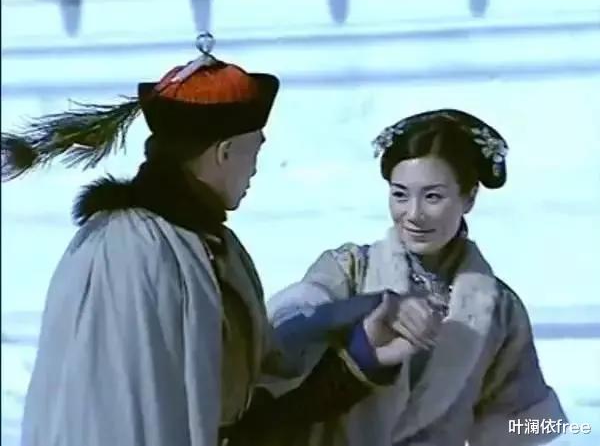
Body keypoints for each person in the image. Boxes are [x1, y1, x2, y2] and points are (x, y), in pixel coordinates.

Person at [2, 34, 446, 446]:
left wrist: (364, 351)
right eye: (256, 148)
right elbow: (115, 415)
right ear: (226, 151)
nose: (255, 167)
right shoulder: (128, 252)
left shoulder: (212, 247)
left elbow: (247, 408)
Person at [260, 109, 567, 446]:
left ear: (469, 197)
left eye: (433, 196)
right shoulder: (350, 269)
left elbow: (522, 424)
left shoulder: (498, 308)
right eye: (400, 194)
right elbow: (282, 333)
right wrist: (366, 307)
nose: (414, 214)